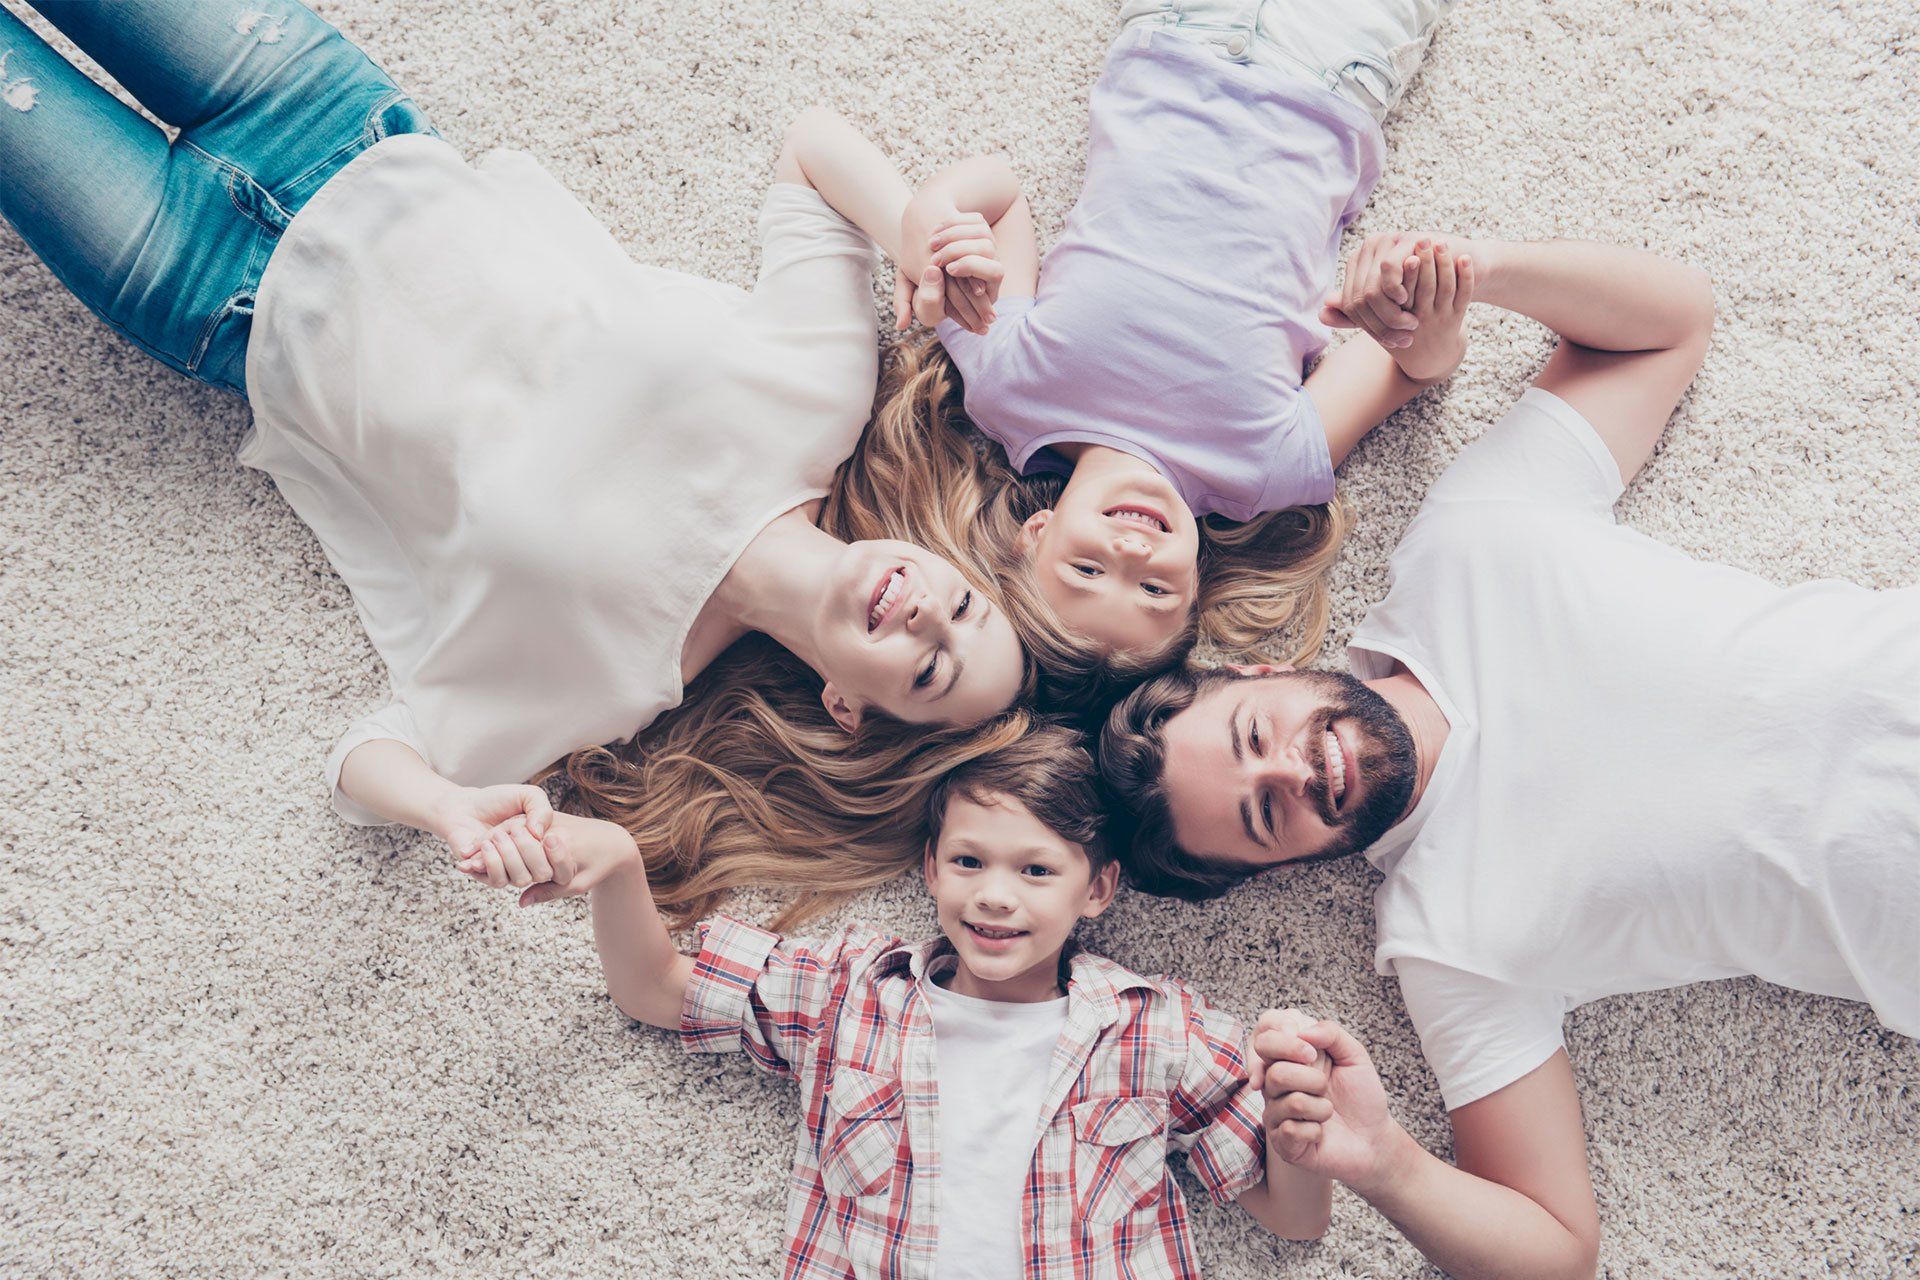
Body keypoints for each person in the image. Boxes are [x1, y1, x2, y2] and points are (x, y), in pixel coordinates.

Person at [0, 0, 1033, 925]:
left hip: (197, 281)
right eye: (967, 609)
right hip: (327, 113)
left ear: (849, 708)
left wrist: (447, 808)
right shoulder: (823, 395)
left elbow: (362, 763)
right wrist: (909, 223)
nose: (926, 615)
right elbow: (811, 149)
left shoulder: (615, 678)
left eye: (930, 669)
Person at [1098, 232, 1919, 1277]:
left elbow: (1669, 321)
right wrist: (1387, 1162)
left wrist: (1475, 275)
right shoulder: (1450, 939)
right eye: (1267, 813)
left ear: (1262, 669)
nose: (1297, 770)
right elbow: (1556, 1250)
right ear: (1279, 869)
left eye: (1257, 735)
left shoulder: (1469, 539)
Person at [472, 726, 1335, 1277]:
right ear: (929, 870)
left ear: (1099, 888)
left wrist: (1298, 1115)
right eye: (969, 863)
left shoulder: (1158, 1027)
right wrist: (621, 864)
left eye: (1036, 870)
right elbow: (656, 990)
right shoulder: (850, 991)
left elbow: (1293, 1221)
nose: (996, 897)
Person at [878, 0, 1459, 713]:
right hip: (1331, 78)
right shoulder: (1264, 471)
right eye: (1155, 591)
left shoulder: (1006, 392)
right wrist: (1410, 298)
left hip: (1176, 34)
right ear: (1194, 586)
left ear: (1036, 533)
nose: (1129, 555)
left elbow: (998, 199)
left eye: (1086, 567)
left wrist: (931, 211)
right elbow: (1411, 363)